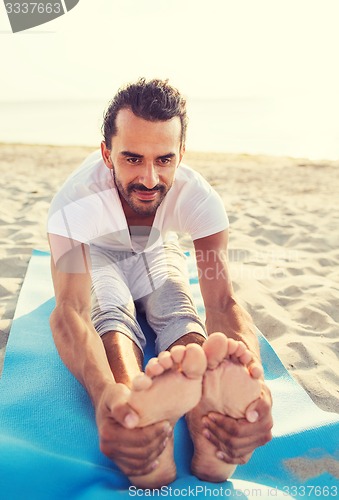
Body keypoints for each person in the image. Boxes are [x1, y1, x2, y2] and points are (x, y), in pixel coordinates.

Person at [47, 78, 273, 489]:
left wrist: (255, 381)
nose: (149, 178)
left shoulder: (200, 199)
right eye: (132, 158)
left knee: (177, 305)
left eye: (164, 160)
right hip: (98, 255)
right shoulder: (75, 202)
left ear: (181, 155)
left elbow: (221, 301)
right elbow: (69, 309)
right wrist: (103, 401)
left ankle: (209, 418)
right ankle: (135, 410)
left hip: (157, 252)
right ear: (106, 154)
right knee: (109, 309)